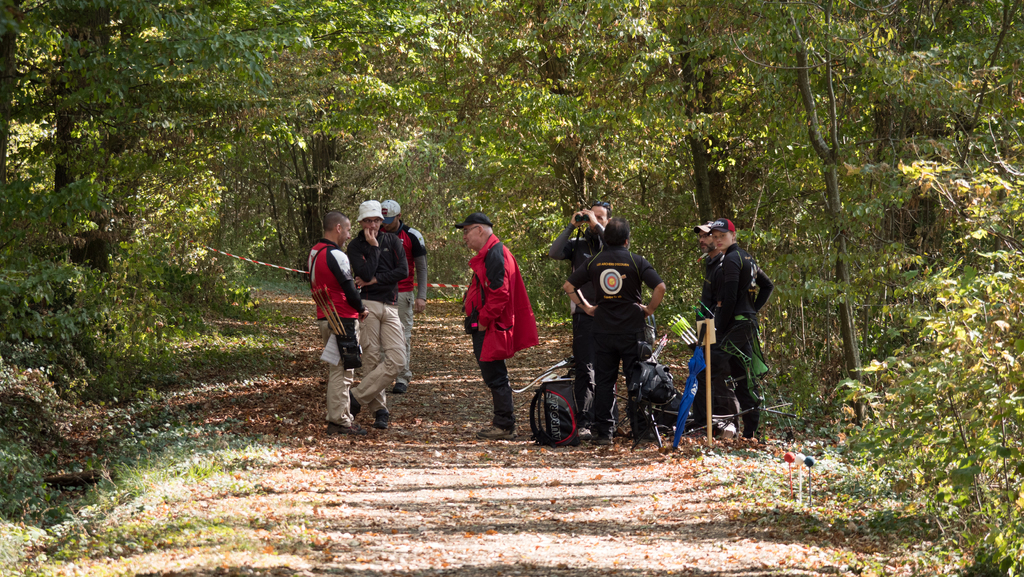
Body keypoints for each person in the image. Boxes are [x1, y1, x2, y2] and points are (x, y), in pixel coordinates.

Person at [562, 217, 666, 446]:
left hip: (602, 330)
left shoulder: (594, 261)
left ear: (605, 239)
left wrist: (587, 307)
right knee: (637, 380)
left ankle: (604, 433)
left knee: (604, 381)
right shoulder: (636, 260)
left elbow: (569, 286)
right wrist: (649, 309)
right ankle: (641, 430)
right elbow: (660, 286)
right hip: (632, 331)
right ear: (627, 240)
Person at [458, 212, 538, 440]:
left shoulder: (495, 253)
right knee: (494, 373)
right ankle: (504, 422)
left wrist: (483, 321)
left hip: (492, 326)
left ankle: (504, 425)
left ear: (480, 230)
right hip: (490, 325)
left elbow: (500, 294)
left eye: (467, 231)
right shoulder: (492, 252)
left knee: (495, 374)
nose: (464, 237)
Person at [547, 201, 611, 441]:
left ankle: (606, 420)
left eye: (601, 217)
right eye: (592, 216)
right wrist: (571, 226)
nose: (595, 220)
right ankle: (584, 422)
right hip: (585, 315)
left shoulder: (612, 243)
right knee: (586, 368)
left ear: (608, 221)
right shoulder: (578, 244)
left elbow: (614, 246)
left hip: (612, 316)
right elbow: (554, 253)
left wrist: (598, 226)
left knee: (608, 369)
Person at [708, 218, 774, 439]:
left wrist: (720, 327)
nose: (718, 240)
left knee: (708, 366)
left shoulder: (731, 259)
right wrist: (751, 310)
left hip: (736, 325)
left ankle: (706, 422)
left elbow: (730, 297)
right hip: (744, 324)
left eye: (722, 236)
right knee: (742, 376)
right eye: (715, 237)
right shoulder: (746, 257)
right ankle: (750, 432)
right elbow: (767, 285)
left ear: (733, 236)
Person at [347, 200, 409, 430]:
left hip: (391, 305)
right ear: (361, 222)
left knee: (398, 359)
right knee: (371, 360)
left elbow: (402, 271)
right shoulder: (355, 246)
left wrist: (374, 280)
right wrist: (373, 247)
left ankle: (355, 397)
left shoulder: (393, 241)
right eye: (368, 220)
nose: (372, 225)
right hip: (367, 305)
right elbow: (363, 273)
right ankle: (380, 411)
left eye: (376, 220)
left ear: (381, 221)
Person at [308, 211, 369, 436]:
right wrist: (361, 308)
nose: (349, 235)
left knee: (338, 369)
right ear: (338, 228)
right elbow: (349, 289)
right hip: (342, 319)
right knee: (344, 371)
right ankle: (340, 421)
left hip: (326, 317)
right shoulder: (336, 254)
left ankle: (340, 418)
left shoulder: (314, 252)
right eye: (348, 229)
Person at [380, 200, 428, 394]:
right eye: (382, 220)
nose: (385, 224)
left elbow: (422, 268)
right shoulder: (375, 232)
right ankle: (382, 376)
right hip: (378, 292)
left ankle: (402, 377)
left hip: (403, 293)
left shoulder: (412, 235)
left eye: (389, 220)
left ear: (399, 216)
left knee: (402, 335)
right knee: (380, 336)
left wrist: (421, 296)